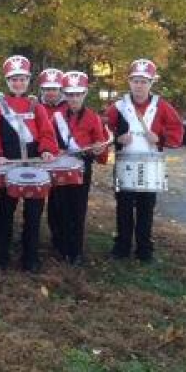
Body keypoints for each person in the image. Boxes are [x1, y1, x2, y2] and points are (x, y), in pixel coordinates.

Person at [0, 55, 58, 272]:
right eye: (14, 79)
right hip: (8, 165)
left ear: (28, 80)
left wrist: (46, 150)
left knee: (33, 214)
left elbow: (46, 133)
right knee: (6, 212)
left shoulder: (36, 106)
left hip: (34, 167)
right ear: (8, 81)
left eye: (22, 79)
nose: (18, 83)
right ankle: (1, 256)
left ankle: (30, 257)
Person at [106, 59, 184, 262]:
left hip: (150, 165)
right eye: (135, 81)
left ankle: (144, 250)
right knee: (123, 207)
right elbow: (103, 130)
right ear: (129, 82)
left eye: (143, 81)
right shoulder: (118, 107)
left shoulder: (162, 106)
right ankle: (121, 248)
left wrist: (160, 138)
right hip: (124, 163)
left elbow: (177, 131)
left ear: (151, 83)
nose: (139, 86)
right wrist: (117, 138)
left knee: (146, 209)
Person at [50, 71, 109, 264]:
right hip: (60, 167)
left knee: (78, 209)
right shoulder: (57, 117)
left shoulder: (93, 117)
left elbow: (100, 147)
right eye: (70, 94)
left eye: (78, 94)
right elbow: (48, 141)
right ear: (64, 95)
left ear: (84, 94)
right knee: (60, 208)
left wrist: (98, 148)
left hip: (82, 168)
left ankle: (75, 251)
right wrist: (54, 150)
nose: (74, 98)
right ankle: (60, 246)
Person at [38, 67, 67, 252]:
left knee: (58, 202)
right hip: (40, 159)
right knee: (38, 199)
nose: (51, 93)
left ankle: (58, 239)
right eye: (47, 89)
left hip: (61, 160)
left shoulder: (67, 107)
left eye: (54, 89)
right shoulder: (35, 106)